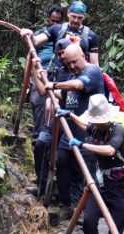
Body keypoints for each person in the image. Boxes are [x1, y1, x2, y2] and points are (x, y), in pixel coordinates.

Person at [56, 94, 124, 234]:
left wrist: (82, 145)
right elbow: (85, 126)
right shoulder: (97, 127)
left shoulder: (117, 129)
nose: (98, 123)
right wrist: (70, 115)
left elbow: (109, 151)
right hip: (99, 182)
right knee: (89, 220)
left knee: (115, 229)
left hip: (119, 186)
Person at [45, 44, 104, 219]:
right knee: (61, 165)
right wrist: (46, 83)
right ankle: (66, 206)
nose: (71, 66)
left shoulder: (92, 72)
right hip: (68, 135)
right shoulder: (72, 74)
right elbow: (64, 97)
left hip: (87, 136)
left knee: (85, 174)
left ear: (83, 56)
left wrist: (54, 84)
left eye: (74, 62)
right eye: (68, 63)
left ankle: (87, 212)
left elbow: (77, 86)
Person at [32, 39, 72, 198]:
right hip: (53, 120)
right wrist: (36, 70)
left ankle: (65, 198)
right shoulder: (57, 68)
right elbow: (43, 91)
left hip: (70, 121)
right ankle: (42, 188)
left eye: (65, 53)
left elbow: (63, 93)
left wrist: (52, 92)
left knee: (63, 158)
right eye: (59, 53)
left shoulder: (78, 70)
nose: (62, 56)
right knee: (40, 144)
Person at [20, 1, 99, 66]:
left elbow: (94, 64)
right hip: (58, 75)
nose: (76, 20)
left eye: (79, 18)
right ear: (68, 13)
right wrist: (30, 35)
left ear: (84, 17)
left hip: (79, 76)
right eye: (73, 16)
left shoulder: (90, 35)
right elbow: (36, 41)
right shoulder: (57, 29)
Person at [29, 5, 64, 141]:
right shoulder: (41, 33)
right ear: (48, 19)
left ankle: (48, 136)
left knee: (53, 104)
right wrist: (29, 77)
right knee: (38, 102)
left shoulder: (63, 33)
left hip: (56, 74)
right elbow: (31, 53)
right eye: (52, 20)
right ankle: (37, 135)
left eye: (58, 21)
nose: (54, 24)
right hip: (40, 72)